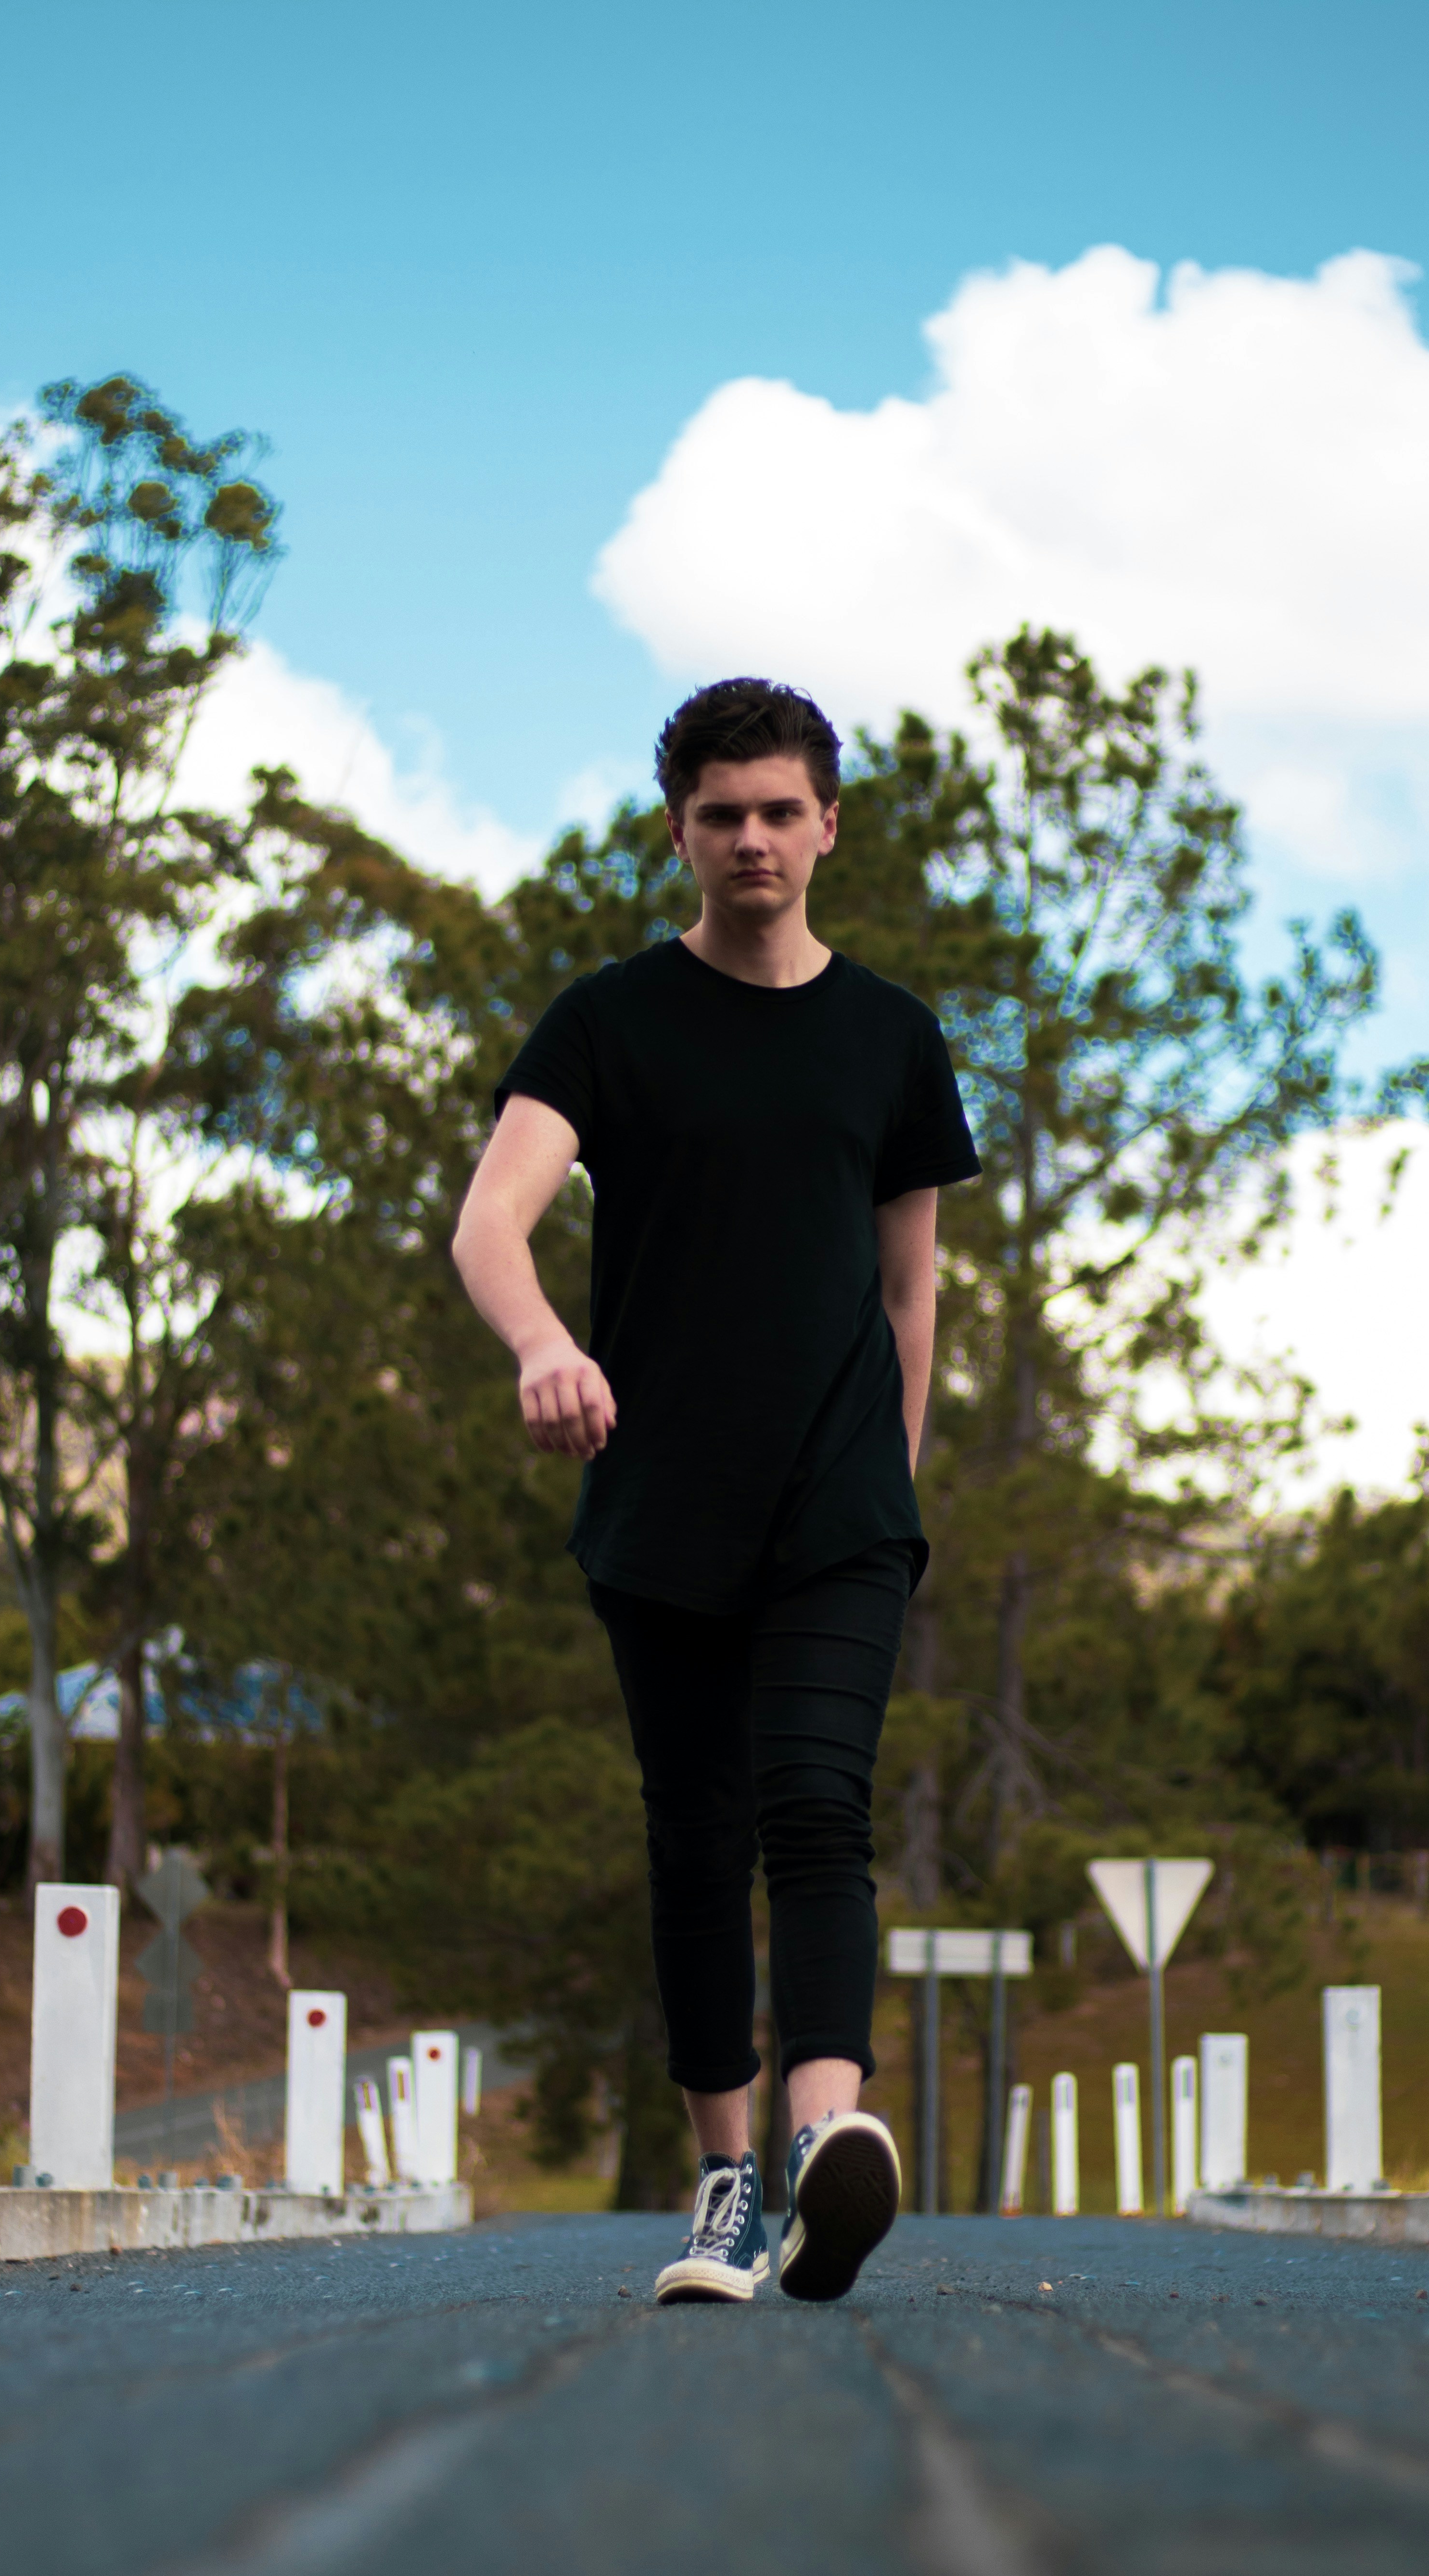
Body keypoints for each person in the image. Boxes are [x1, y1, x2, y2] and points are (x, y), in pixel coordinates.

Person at [452, 678, 979, 2303]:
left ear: (828, 823)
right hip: (658, 1491)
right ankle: (733, 2183)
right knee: (696, 1837)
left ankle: (831, 2140)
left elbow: (911, 1292)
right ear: (678, 829)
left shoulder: (888, 1035)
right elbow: (492, 1225)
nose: (750, 838)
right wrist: (546, 1343)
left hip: (836, 1504)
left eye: (778, 810)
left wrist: (881, 1499)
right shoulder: (608, 1022)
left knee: (819, 1803)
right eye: (719, 813)